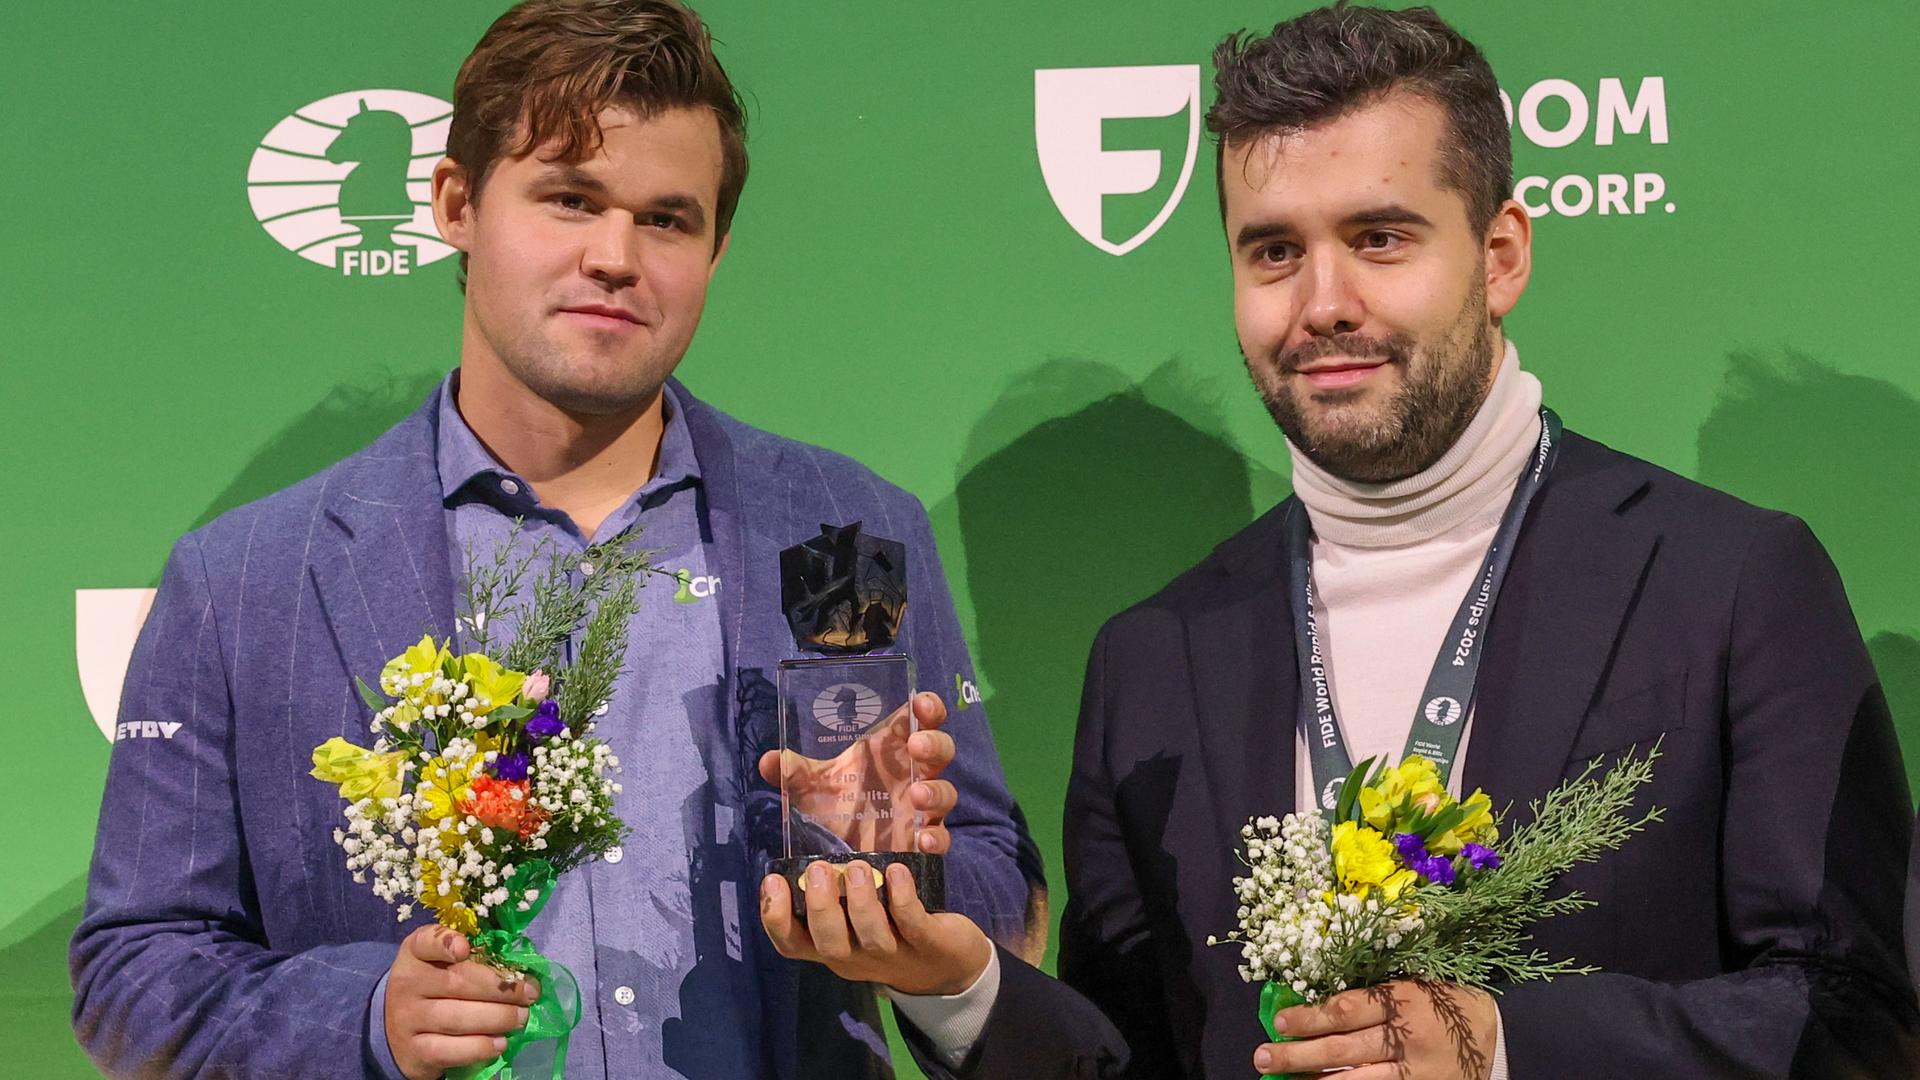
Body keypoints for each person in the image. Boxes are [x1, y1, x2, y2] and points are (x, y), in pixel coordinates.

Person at [762, 5, 1920, 1077]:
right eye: (1273, 252)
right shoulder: (1152, 659)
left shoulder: (1727, 581)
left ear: (1502, 253)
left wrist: (1504, 1045)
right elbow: (1133, 1060)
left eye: (1380, 237)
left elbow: (1857, 1018)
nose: (1323, 302)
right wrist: (959, 978)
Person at [68, 2, 1034, 1077]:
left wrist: (901, 896)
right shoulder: (246, 580)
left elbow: (998, 884)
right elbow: (134, 971)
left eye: (667, 219)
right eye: (570, 199)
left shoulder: (844, 533)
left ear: (715, 249)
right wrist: (365, 1019)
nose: (615, 256)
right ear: (454, 202)